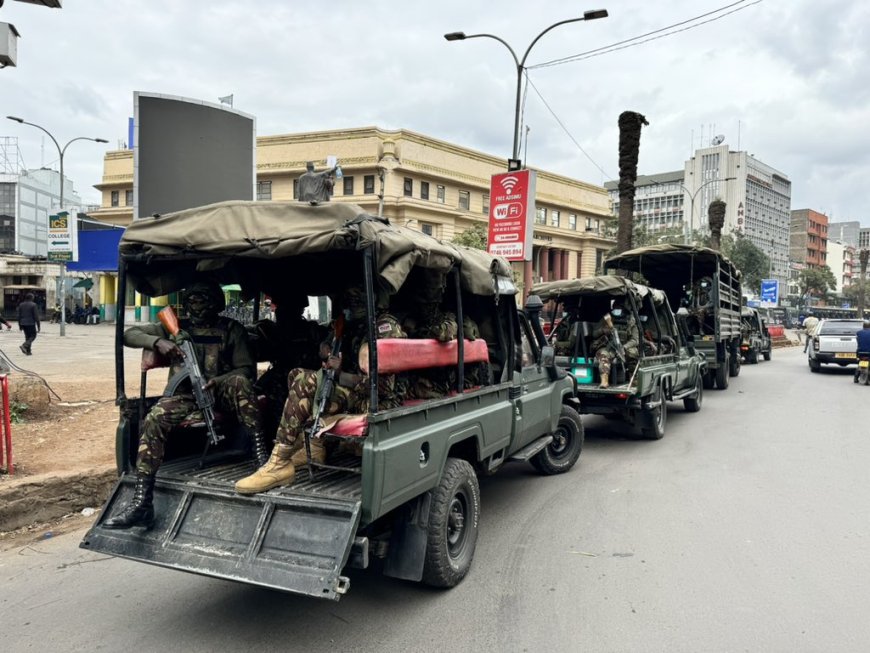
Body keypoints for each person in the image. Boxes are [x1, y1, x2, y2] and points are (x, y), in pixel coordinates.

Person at [103, 280, 269, 530]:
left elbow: (246, 370)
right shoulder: (176, 327)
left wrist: (218, 381)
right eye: (192, 300)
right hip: (185, 396)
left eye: (203, 300)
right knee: (154, 417)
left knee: (240, 383)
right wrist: (158, 342)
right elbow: (128, 335)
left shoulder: (231, 329)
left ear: (216, 304)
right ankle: (142, 502)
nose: (197, 306)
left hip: (220, 391)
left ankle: (260, 456)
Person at [234, 283, 406, 495]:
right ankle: (314, 448)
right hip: (351, 391)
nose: (351, 305)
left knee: (307, 381)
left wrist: (339, 374)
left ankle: (279, 462)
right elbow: (328, 347)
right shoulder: (348, 324)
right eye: (348, 300)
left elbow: (383, 388)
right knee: (296, 374)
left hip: (375, 399)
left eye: (357, 299)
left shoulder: (385, 328)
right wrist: (325, 350)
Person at [591, 299, 639, 388]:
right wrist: (603, 330)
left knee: (633, 353)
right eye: (615, 308)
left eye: (619, 308)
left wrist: (624, 347)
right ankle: (604, 381)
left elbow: (635, 340)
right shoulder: (606, 319)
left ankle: (634, 379)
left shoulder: (631, 321)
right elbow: (594, 334)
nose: (617, 310)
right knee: (603, 355)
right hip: (609, 345)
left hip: (625, 347)